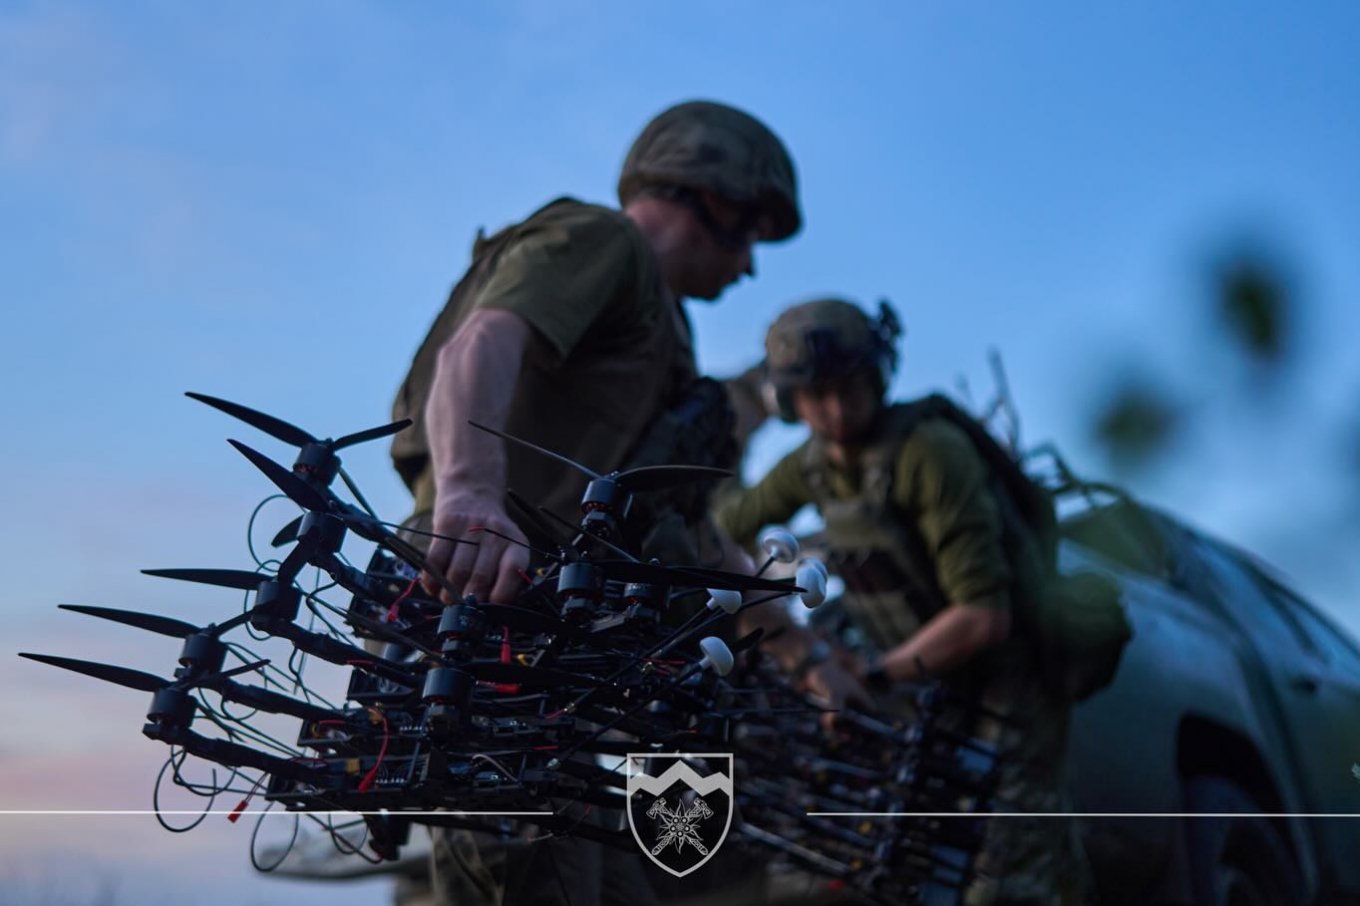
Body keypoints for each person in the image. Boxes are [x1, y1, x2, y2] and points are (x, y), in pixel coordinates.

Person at [387, 100, 802, 906]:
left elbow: (692, 530)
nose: (749, 266)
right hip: (492, 631)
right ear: (712, 198)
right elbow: (482, 340)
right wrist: (470, 494)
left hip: (558, 666)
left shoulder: (662, 334)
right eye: (748, 232)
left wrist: (803, 653)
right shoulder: (603, 241)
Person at [717, 298, 1089, 906]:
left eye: (850, 389)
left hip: (1007, 676)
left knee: (1011, 871)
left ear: (878, 378)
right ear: (791, 402)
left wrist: (868, 675)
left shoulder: (931, 451)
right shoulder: (808, 467)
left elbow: (984, 616)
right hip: (918, 677)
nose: (835, 411)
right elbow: (722, 531)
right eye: (816, 396)